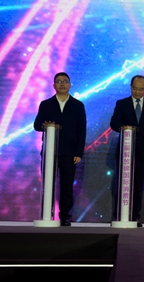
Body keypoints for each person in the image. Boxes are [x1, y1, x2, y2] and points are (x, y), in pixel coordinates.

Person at [33, 72, 87, 226]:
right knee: (48, 184)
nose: (62, 84)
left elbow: (81, 131)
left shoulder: (78, 105)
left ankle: (65, 216)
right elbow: (37, 125)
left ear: (70, 85)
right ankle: (47, 214)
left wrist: (78, 152)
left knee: (67, 186)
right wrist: (46, 125)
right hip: (50, 152)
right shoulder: (46, 104)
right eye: (58, 81)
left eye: (65, 81)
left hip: (69, 153)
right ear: (54, 85)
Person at [110, 75, 144, 227]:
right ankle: (118, 215)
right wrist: (123, 128)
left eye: (141, 89)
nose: (137, 92)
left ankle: (134, 216)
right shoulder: (122, 103)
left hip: (143, 152)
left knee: (138, 185)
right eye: (135, 88)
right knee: (122, 184)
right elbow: (114, 123)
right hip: (125, 151)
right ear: (130, 87)